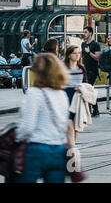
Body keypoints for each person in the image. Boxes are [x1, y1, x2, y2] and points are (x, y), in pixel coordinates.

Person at [14, 53, 74, 183]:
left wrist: (16, 138)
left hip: (37, 150)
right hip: (58, 150)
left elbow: (27, 127)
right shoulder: (62, 94)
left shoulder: (34, 93)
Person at [81, 26, 101, 117]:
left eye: (85, 32)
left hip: (92, 70)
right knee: (87, 90)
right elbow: (82, 57)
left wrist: (89, 52)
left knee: (88, 89)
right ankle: (94, 109)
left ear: (90, 33)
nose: (84, 34)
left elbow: (97, 58)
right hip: (84, 70)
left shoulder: (95, 44)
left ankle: (95, 109)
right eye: (83, 32)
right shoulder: (83, 44)